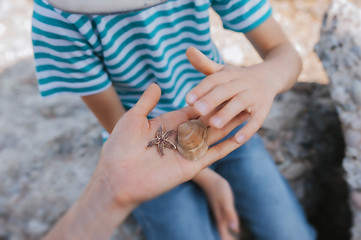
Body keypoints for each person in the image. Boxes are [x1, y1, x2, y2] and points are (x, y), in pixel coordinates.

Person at [32, 0, 316, 239]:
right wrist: (209, 179)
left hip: (221, 123)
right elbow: (117, 124)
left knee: (290, 231)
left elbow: (285, 53)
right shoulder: (57, 15)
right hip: (142, 151)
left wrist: (265, 78)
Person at [44, 83, 247, 239]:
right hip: (152, 162)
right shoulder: (159, 140)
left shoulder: (163, 139)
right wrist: (110, 189)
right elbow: (139, 133)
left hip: (218, 122)